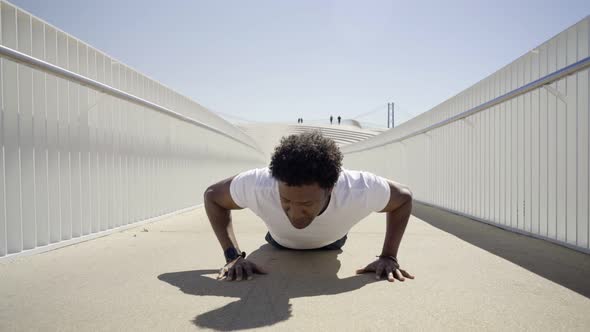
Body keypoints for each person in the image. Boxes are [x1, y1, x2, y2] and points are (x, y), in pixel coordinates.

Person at [204, 131, 414, 283]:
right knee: (279, 233)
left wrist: (389, 256)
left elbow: (403, 198)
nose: (295, 215)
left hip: (332, 241)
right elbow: (212, 196)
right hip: (279, 240)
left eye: (306, 204)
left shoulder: (358, 189)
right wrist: (232, 257)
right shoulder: (258, 184)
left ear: (331, 188)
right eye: (285, 201)